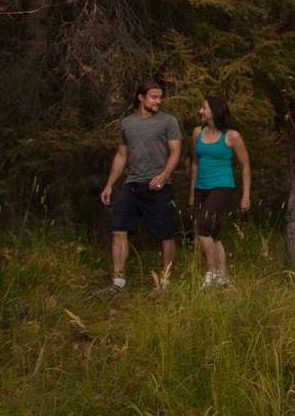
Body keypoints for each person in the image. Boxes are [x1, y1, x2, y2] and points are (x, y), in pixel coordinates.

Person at [100, 81, 181, 288]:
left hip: (159, 186)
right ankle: (118, 280)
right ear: (141, 97)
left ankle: (165, 280)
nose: (158, 101)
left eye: (160, 97)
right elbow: (121, 155)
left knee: (165, 234)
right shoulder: (127, 123)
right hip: (132, 184)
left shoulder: (168, 122)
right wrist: (110, 184)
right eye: (154, 97)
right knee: (118, 229)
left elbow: (175, 152)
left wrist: (164, 175)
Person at [189, 96, 251, 287]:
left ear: (214, 111)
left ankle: (211, 272)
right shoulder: (197, 133)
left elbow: (245, 166)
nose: (200, 111)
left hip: (222, 186)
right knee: (214, 234)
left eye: (204, 108)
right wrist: (191, 192)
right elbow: (195, 163)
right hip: (201, 186)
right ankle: (222, 275)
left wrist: (245, 196)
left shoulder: (232, 136)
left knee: (202, 227)